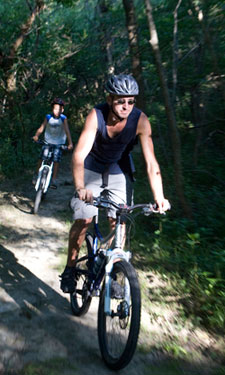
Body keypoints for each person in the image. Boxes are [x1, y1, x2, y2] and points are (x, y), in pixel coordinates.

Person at [60, 74, 170, 293]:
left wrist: (159, 196)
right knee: (84, 218)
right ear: (110, 99)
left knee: (118, 220)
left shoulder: (140, 120)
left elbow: (151, 163)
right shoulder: (96, 115)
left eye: (131, 101)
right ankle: (70, 268)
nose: (126, 106)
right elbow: (79, 155)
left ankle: (112, 274)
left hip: (118, 168)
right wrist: (81, 187)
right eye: (120, 101)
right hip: (92, 166)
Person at [32, 98, 73, 188]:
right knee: (42, 157)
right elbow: (42, 127)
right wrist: (36, 135)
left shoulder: (63, 119)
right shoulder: (48, 117)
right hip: (48, 141)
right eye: (55, 109)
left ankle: (54, 179)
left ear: (62, 110)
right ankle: (36, 174)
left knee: (56, 160)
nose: (56, 111)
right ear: (52, 109)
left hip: (59, 142)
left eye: (59, 109)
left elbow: (67, 131)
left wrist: (70, 143)